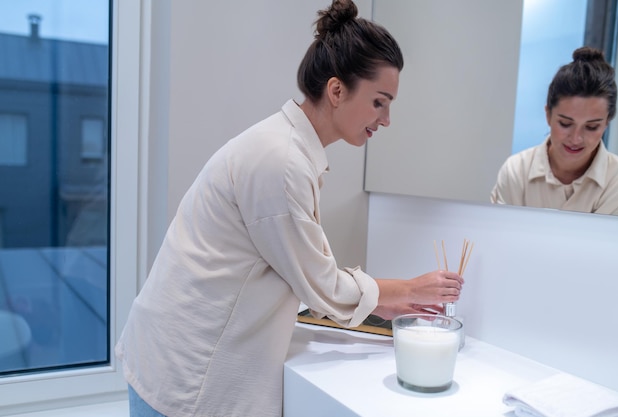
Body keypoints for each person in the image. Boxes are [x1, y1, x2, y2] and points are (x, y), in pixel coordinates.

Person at [115, 1, 464, 416]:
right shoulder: (281, 162)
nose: (386, 119)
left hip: (170, 356)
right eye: (379, 102)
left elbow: (304, 274)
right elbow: (322, 288)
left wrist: (382, 300)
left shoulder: (285, 148)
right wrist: (406, 290)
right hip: (186, 375)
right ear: (336, 91)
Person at [490, 46, 618, 216]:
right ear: (548, 115)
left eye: (591, 127)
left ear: (607, 123)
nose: (576, 138)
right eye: (565, 123)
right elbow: (501, 237)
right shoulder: (517, 171)